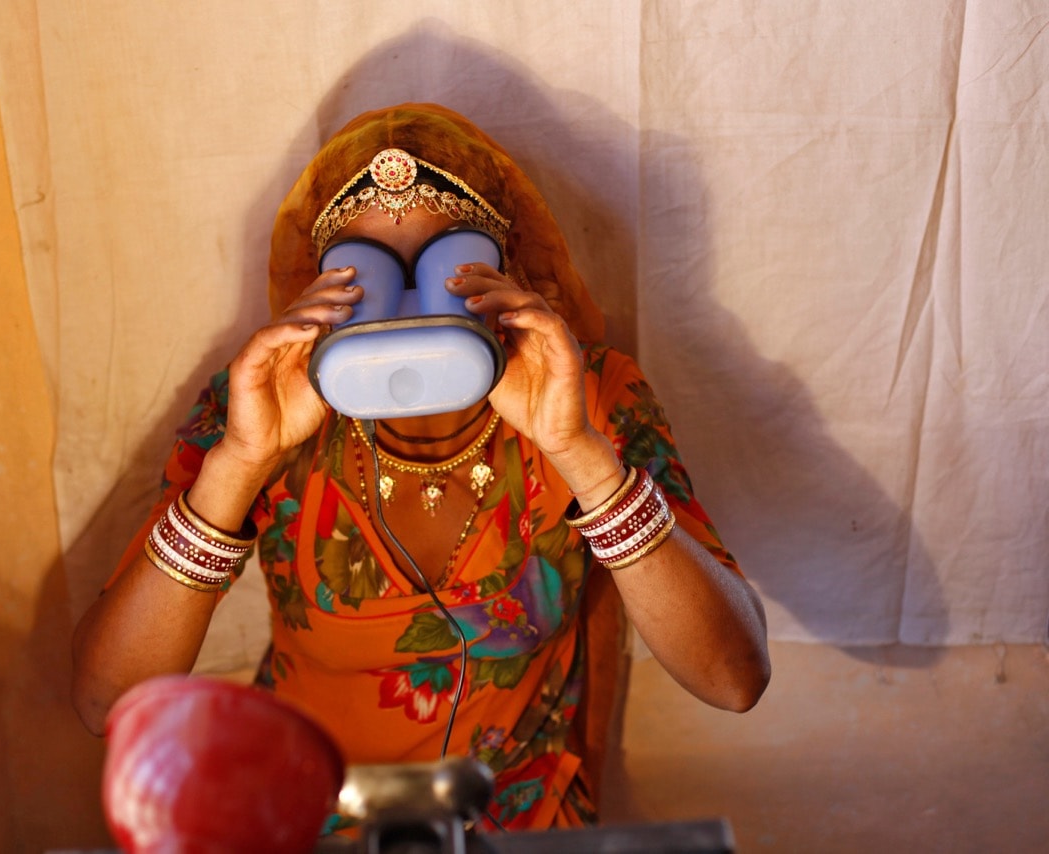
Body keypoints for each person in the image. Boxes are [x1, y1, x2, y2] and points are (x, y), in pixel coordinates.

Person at [72, 103, 770, 832]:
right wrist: (240, 465)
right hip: (309, 811)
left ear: (507, 270)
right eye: (364, 277)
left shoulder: (587, 393)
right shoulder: (263, 401)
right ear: (322, 294)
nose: (407, 309)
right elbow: (103, 701)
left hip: (514, 824)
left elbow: (734, 679)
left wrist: (579, 452)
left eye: (444, 270)